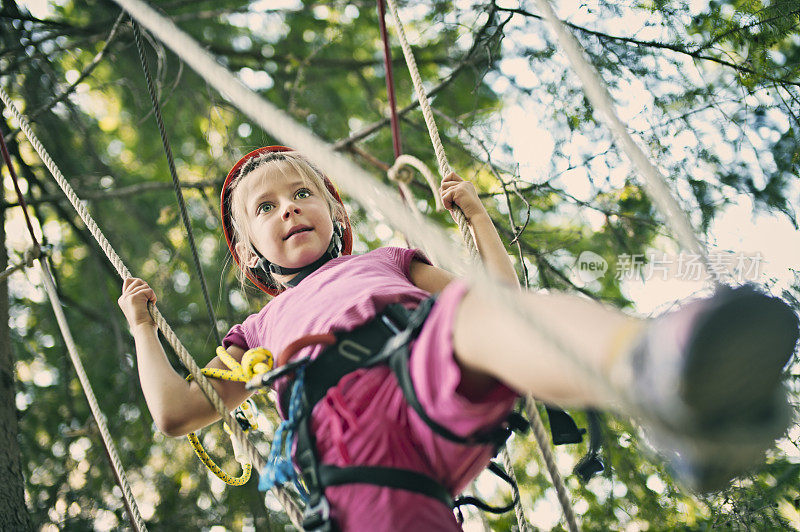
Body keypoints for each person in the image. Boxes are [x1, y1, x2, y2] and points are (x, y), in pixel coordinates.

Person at [119, 146, 798, 530]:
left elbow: (503, 301)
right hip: (346, 458)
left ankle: (653, 371)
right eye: (264, 208)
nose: (288, 207)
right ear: (249, 257)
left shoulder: (385, 260)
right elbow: (175, 412)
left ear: (335, 213)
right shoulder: (256, 330)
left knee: (485, 315)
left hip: (421, 367)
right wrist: (143, 329)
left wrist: (478, 221)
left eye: (301, 194)